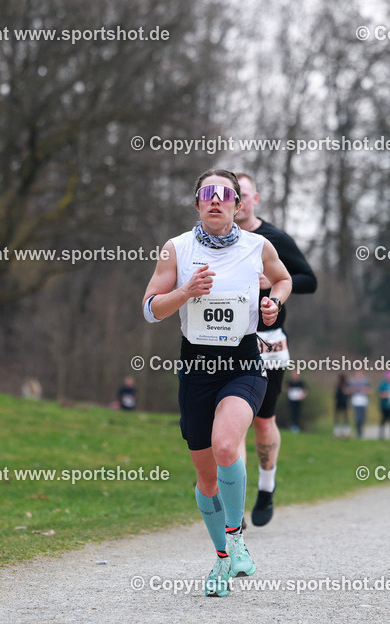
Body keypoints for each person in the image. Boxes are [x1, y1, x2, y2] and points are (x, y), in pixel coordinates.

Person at [141, 169, 292, 597]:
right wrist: (186, 292)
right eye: (207, 193)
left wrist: (272, 305)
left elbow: (284, 280)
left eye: (225, 194)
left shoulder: (258, 246)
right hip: (196, 370)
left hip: (244, 363)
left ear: (237, 205)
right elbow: (151, 309)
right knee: (205, 482)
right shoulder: (176, 250)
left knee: (228, 445)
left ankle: (231, 545)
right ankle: (229, 552)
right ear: (196, 203)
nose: (216, 200)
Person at [234, 172, 317, 527]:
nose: (238, 201)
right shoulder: (216, 239)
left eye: (244, 194)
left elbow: (309, 281)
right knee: (230, 421)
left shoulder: (274, 239)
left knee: (263, 419)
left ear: (255, 199)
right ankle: (231, 490)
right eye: (232, 195)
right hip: (225, 339)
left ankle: (266, 487)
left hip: (268, 341)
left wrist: (274, 281)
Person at [347, 369, 371, 438]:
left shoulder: (365, 381)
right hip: (355, 400)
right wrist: (353, 390)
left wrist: (365, 390)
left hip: (363, 400)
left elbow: (369, 390)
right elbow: (347, 390)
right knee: (357, 417)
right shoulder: (351, 381)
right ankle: (358, 432)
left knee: (363, 417)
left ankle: (361, 429)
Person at [333, 374, 351, 438]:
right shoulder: (338, 386)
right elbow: (336, 395)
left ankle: (346, 432)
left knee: (345, 418)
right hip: (339, 403)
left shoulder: (346, 386)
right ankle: (337, 432)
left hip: (344, 403)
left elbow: (349, 395)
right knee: (338, 418)